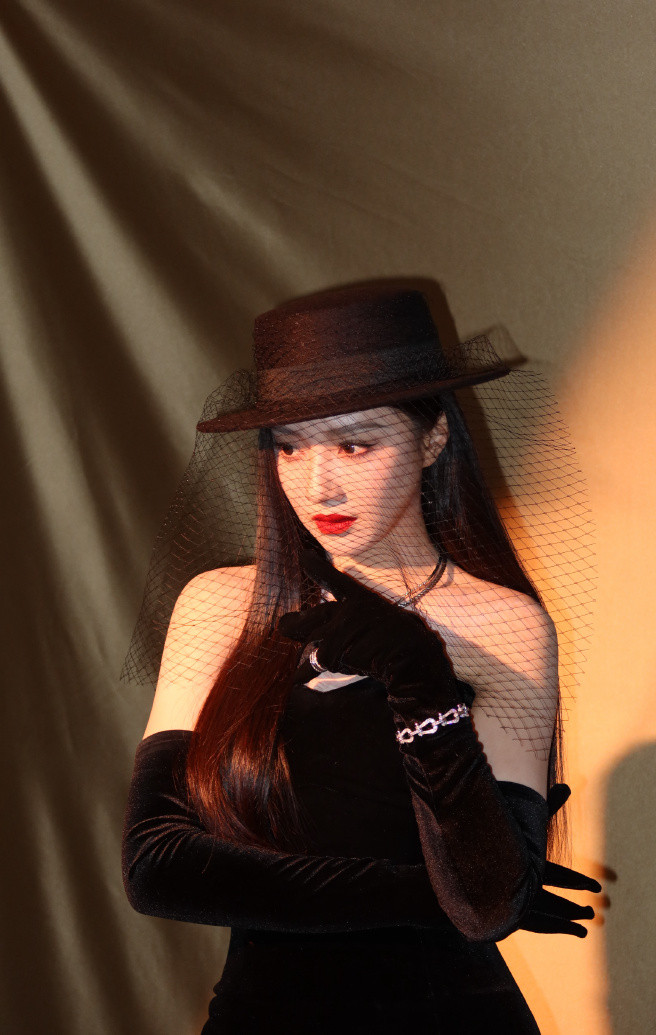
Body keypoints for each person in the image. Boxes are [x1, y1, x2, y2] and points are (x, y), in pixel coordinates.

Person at [121, 283, 600, 1033]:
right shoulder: (220, 605)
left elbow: (481, 907)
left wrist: (418, 674)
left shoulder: (504, 624)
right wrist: (433, 892)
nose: (318, 483)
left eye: (355, 443)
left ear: (432, 440)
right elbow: (156, 866)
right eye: (290, 445)